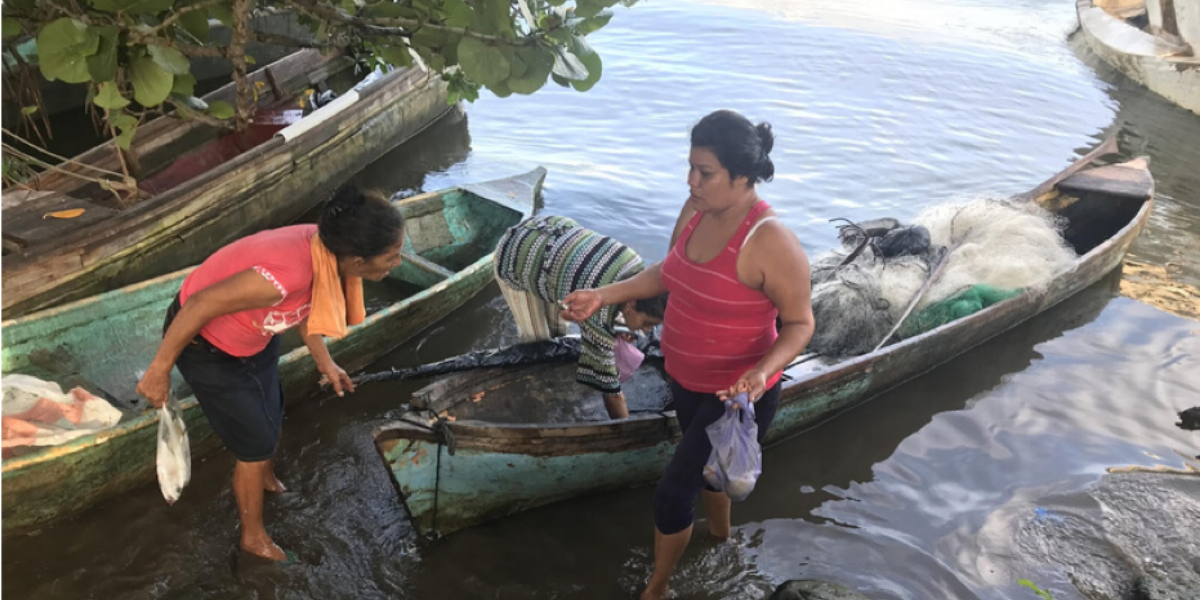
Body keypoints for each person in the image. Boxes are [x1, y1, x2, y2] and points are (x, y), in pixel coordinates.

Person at [560, 110, 815, 600]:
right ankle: (722, 538)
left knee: (674, 492)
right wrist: (603, 295)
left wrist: (761, 374)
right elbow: (668, 272)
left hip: (737, 394)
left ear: (742, 177)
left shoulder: (771, 241)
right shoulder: (697, 210)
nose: (691, 181)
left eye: (705, 172)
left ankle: (656, 588)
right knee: (711, 473)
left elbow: (801, 323)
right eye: (691, 168)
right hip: (686, 377)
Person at [135, 186, 405, 562]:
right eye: (392, 256)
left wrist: (325, 362)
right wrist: (158, 370)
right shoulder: (286, 273)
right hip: (207, 347)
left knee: (272, 409)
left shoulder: (328, 253)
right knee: (255, 442)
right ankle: (253, 537)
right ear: (358, 262)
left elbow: (308, 308)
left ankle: (262, 475)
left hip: (257, 337)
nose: (398, 261)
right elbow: (199, 304)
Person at [493, 215, 669, 419]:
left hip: (551, 248)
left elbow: (628, 311)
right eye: (647, 324)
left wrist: (626, 328)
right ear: (630, 304)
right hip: (516, 253)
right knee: (536, 340)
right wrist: (625, 429)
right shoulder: (597, 312)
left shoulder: (639, 273)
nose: (647, 331)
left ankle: (549, 379)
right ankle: (534, 392)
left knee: (558, 333)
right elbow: (611, 392)